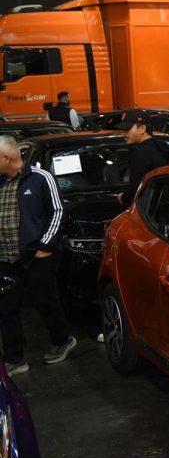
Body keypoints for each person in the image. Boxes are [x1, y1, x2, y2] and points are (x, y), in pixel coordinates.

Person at [0, 135, 77, 373]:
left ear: (6, 157)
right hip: (5, 258)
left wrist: (45, 246)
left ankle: (62, 340)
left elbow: (57, 211)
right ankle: (15, 358)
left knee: (45, 301)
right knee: (6, 309)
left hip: (36, 256)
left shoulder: (40, 178)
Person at [116, 110, 169, 208]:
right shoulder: (166, 147)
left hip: (152, 210)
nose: (124, 133)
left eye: (128, 129)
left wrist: (123, 198)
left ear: (142, 129)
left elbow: (137, 188)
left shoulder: (140, 153)